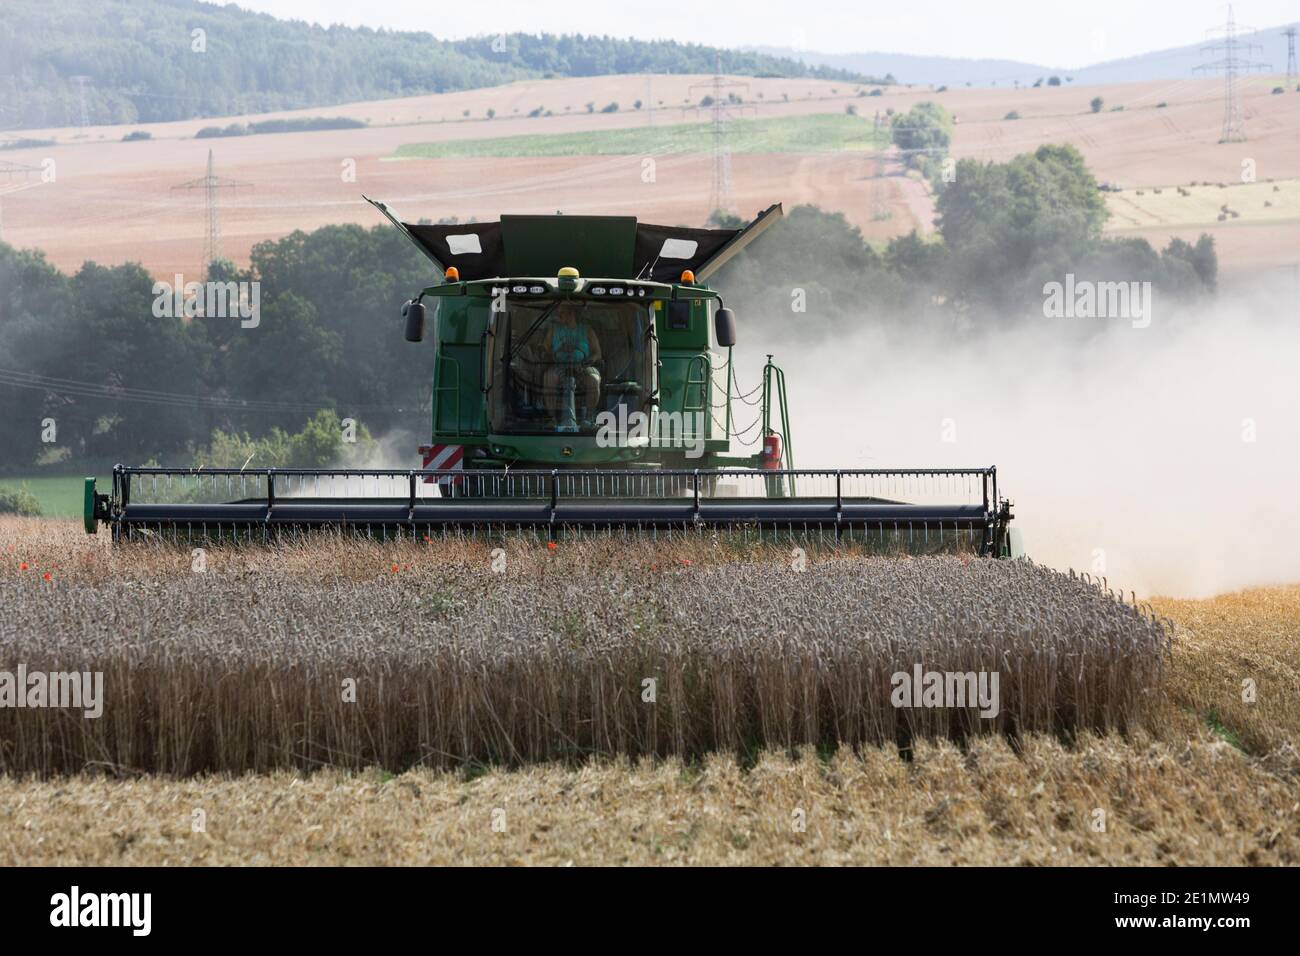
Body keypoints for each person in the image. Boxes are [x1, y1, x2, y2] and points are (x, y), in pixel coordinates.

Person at [544, 305, 602, 426]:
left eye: (561, 313)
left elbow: (597, 353)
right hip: (559, 365)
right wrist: (554, 354)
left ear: (571, 313)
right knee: (550, 377)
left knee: (593, 379)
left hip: (583, 366)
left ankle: (589, 418)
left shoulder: (587, 330)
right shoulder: (553, 329)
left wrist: (586, 362)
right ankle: (551, 417)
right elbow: (544, 351)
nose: (558, 316)